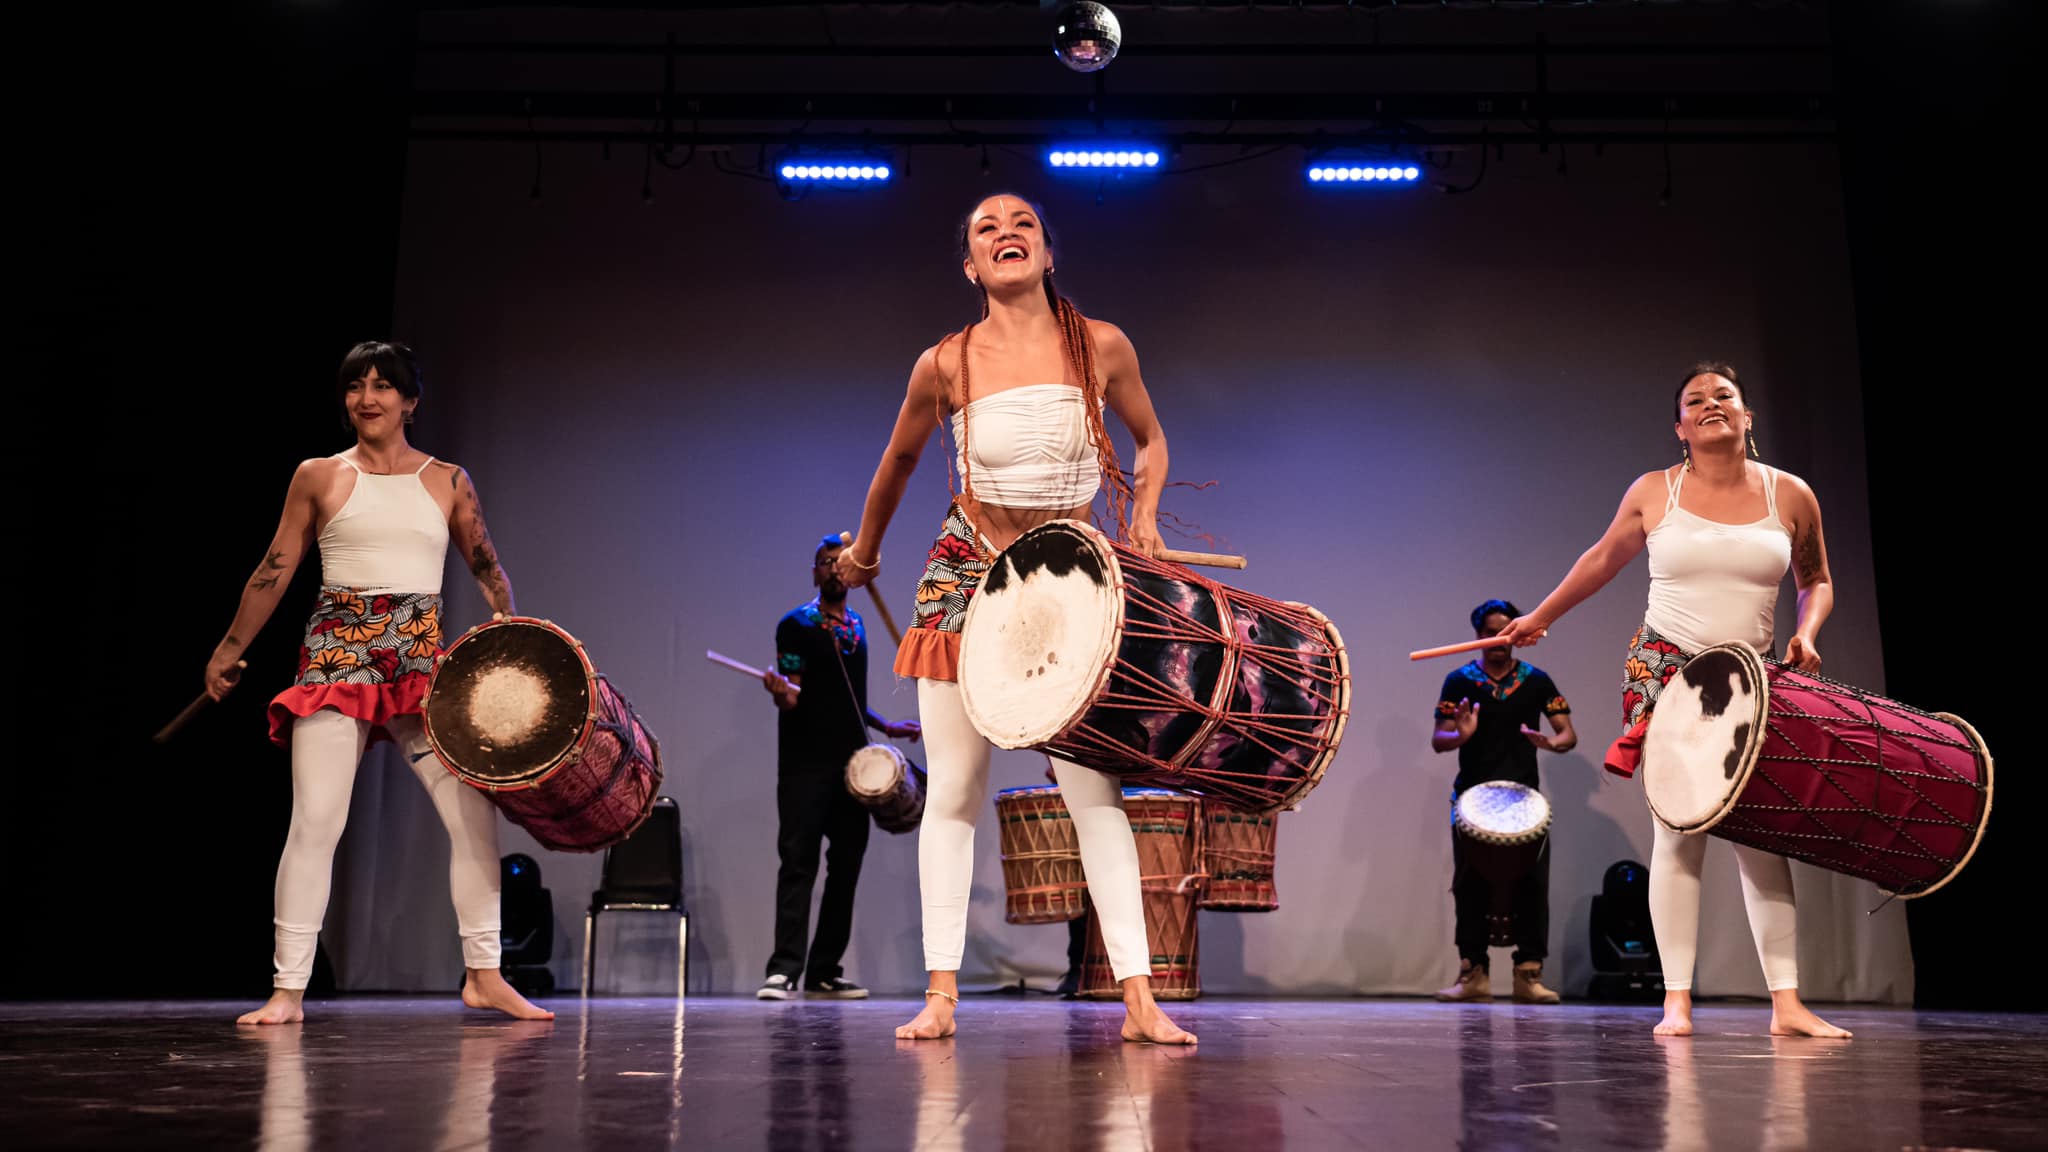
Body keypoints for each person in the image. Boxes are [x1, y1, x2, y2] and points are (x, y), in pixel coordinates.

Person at [836, 194, 1193, 1044]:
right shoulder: (945, 363)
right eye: (986, 229)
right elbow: (899, 461)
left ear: (1046, 251)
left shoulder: (1101, 344)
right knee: (954, 792)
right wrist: (865, 550)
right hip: (967, 579)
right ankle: (942, 996)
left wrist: (1144, 514)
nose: (1005, 233)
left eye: (1022, 223)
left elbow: (1150, 441)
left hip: (1068, 584)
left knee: (1095, 793)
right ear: (970, 265)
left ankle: (1139, 999)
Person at [1493, 362, 1850, 1038]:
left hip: (1753, 677)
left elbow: (1817, 580)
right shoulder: (1655, 491)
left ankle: (1787, 1004)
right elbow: (1603, 558)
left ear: (1747, 417)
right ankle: (1677, 1003)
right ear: (1679, 428)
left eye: (1726, 396)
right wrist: (1543, 615)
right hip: (1667, 670)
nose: (1712, 405)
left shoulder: (1790, 495)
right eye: (1696, 400)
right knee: (1679, 833)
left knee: (1761, 839)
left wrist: (1807, 632)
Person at [203, 341, 552, 1025]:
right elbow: (274, 568)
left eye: (384, 386)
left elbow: (486, 566)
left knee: (473, 817)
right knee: (316, 823)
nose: (368, 397)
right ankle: (288, 990)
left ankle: (484, 975)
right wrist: (229, 648)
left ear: (410, 401)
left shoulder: (448, 481)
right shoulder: (319, 476)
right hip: (338, 660)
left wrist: (513, 635)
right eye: (356, 385)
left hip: (421, 670)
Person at [756, 535, 921, 1000]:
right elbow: (795, 694)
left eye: (839, 562)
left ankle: (824, 971)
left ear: (850, 572)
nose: (832, 569)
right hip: (805, 768)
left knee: (845, 867)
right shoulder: (796, 625)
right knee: (799, 865)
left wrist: (887, 725)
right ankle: (784, 969)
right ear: (814, 573)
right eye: (825, 563)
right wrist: (778, 691)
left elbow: (848, 701)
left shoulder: (858, 627)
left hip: (853, 767)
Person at [1431, 598, 1576, 1003]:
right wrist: (1460, 735)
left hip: (1523, 800)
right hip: (1471, 800)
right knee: (1469, 885)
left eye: (1505, 631)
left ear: (1517, 634)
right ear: (1477, 636)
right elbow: (1438, 739)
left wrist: (1550, 742)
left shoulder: (1536, 680)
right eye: (1490, 632)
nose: (1498, 640)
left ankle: (1528, 975)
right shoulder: (1459, 681)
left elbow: (1568, 734)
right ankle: (1472, 974)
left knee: (1531, 885)